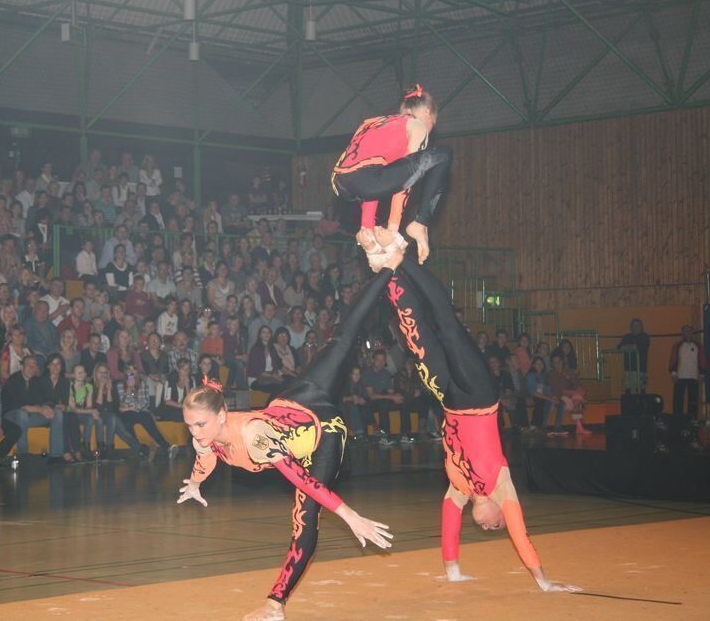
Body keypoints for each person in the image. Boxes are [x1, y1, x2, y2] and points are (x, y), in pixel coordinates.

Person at [178, 268, 397, 620]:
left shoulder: (254, 437)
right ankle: (277, 604)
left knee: (341, 339)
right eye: (189, 426)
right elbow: (206, 458)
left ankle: (387, 273)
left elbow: (303, 480)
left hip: (322, 429)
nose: (195, 434)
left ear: (222, 415)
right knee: (302, 521)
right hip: (293, 405)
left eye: (200, 424)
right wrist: (196, 482)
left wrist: (349, 515)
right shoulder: (205, 437)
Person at [370, 235, 577, 593]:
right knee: (448, 327)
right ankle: (402, 259)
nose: (489, 527)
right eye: (496, 526)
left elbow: (449, 525)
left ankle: (389, 274)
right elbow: (521, 535)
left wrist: (452, 571)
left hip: (450, 398)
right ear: (499, 510)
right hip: (479, 394)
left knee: (417, 336)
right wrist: (544, 581)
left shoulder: (460, 488)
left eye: (487, 528)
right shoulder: (502, 486)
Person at [330, 85, 451, 264]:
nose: (430, 129)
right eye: (432, 123)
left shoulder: (371, 122)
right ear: (426, 112)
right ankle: (421, 224)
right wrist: (393, 228)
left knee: (379, 171)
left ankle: (369, 241)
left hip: (340, 182)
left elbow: (371, 174)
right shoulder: (417, 126)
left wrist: (367, 226)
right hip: (367, 179)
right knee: (443, 154)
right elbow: (406, 181)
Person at [1, 355, 67, 462]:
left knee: (57, 412)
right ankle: (23, 454)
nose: (31, 368)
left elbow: (46, 399)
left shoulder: (37, 381)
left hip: (30, 416)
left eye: (34, 366)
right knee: (22, 413)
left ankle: (56, 456)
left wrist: (47, 407)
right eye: (29, 365)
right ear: (22, 367)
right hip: (11, 416)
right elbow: (16, 404)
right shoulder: (13, 380)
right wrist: (39, 409)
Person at [669, 325, 706, 419]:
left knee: (693, 401)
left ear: (692, 332)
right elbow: (673, 360)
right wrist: (673, 374)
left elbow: (702, 361)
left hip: (694, 377)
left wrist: (702, 374)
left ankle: (692, 420)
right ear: (682, 333)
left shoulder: (698, 346)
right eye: (685, 331)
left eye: (689, 331)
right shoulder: (677, 346)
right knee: (678, 401)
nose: (687, 333)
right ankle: (677, 420)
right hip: (679, 377)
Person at [617, 318, 650, 391]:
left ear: (642, 327)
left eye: (638, 325)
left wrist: (628, 347)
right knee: (628, 390)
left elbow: (640, 346)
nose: (636, 327)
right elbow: (619, 348)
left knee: (641, 391)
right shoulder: (626, 337)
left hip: (641, 369)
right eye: (634, 325)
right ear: (631, 327)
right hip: (628, 369)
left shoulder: (645, 336)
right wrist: (632, 347)